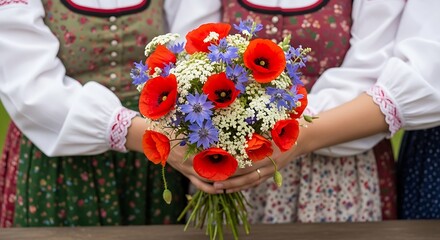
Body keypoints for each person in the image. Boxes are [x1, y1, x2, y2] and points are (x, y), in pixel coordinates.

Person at [201, 0, 440, 223]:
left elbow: (386, 71)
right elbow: (189, 56)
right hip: (233, 165)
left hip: (341, 173)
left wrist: (291, 132)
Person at [0, 0, 220, 227]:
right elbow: (31, 88)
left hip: (155, 164)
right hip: (62, 158)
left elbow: (194, 45)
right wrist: (152, 137)